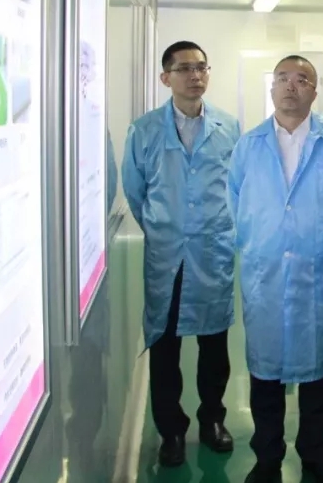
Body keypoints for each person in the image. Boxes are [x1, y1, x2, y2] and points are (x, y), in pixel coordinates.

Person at [228, 55, 323, 483]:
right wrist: (260, 244)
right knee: (265, 378)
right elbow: (235, 202)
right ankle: (267, 458)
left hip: (318, 277)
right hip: (264, 277)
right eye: (283, 78)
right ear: (272, 88)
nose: (290, 86)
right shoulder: (249, 145)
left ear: (315, 91)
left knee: (320, 378)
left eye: (302, 79)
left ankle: (314, 454)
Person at [122, 41, 240, 467]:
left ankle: (213, 420)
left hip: (212, 253)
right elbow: (135, 192)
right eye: (185, 68)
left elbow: (238, 187)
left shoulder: (229, 127)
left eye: (202, 67)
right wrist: (166, 228)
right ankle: (171, 430)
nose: (195, 76)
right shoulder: (144, 130)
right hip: (167, 257)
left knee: (215, 347)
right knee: (165, 348)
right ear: (165, 77)